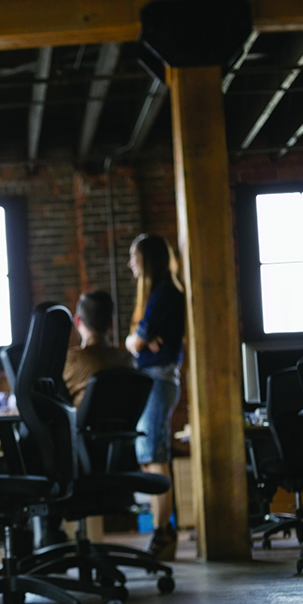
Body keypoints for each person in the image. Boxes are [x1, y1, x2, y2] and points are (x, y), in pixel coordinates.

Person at [123, 233, 186, 561]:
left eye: (135, 256)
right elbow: (140, 339)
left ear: (147, 259)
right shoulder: (160, 293)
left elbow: (136, 340)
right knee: (150, 455)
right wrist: (140, 339)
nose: (131, 262)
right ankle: (163, 531)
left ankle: (163, 532)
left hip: (158, 379)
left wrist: (138, 340)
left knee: (155, 453)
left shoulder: (163, 294)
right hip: (154, 378)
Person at [61, 289, 133, 407]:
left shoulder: (69, 361)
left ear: (77, 321)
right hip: (123, 425)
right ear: (111, 323)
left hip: (81, 425)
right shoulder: (130, 361)